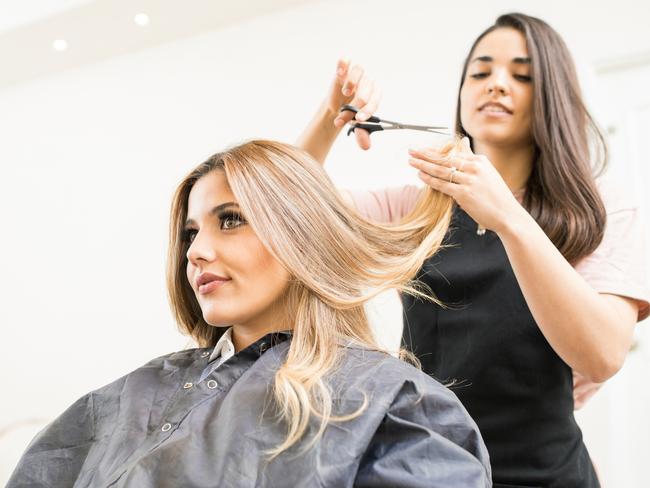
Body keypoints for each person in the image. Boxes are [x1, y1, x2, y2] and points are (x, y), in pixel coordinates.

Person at [7, 140, 491, 487]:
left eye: (231, 220)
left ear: (301, 232)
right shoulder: (130, 394)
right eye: (189, 234)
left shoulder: (393, 405)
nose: (195, 251)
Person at [297, 12, 649, 488]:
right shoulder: (417, 208)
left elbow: (603, 354)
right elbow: (286, 212)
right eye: (480, 72)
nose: (496, 85)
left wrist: (509, 218)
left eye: (522, 75)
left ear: (554, 97)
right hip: (427, 468)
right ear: (461, 95)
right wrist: (327, 119)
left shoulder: (599, 207)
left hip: (549, 473)